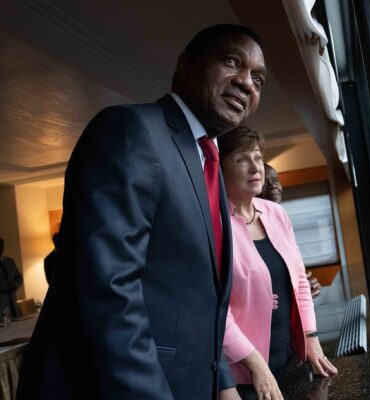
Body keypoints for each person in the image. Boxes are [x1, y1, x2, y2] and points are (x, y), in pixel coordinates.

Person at [17, 24, 266, 400]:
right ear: (186, 66)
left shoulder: (205, 160)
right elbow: (109, 291)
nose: (247, 83)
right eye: (232, 62)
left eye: (258, 79)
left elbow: (195, 301)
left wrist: (221, 382)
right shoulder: (131, 131)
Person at [218, 126, 337, 400]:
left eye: (258, 158)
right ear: (221, 170)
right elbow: (216, 311)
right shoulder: (215, 226)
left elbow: (299, 283)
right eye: (241, 159)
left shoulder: (276, 213)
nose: (254, 167)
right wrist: (256, 364)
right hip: (244, 373)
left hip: (287, 359)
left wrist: (311, 338)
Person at [259, 163, 321, 298]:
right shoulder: (252, 227)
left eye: (275, 180)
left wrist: (305, 285)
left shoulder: (281, 222)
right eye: (264, 182)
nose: (273, 185)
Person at [0, 237, 23, 318]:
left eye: (2, 246)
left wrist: (15, 285)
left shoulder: (9, 261)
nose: (1, 249)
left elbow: (19, 276)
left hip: (13, 304)